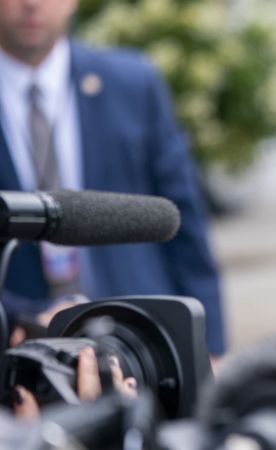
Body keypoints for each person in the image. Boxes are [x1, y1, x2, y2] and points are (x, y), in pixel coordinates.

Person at [0, 0, 227, 356]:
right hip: (17, 353)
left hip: (139, 341)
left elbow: (185, 221)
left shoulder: (133, 82)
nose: (31, 4)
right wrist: (18, 316)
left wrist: (208, 345)